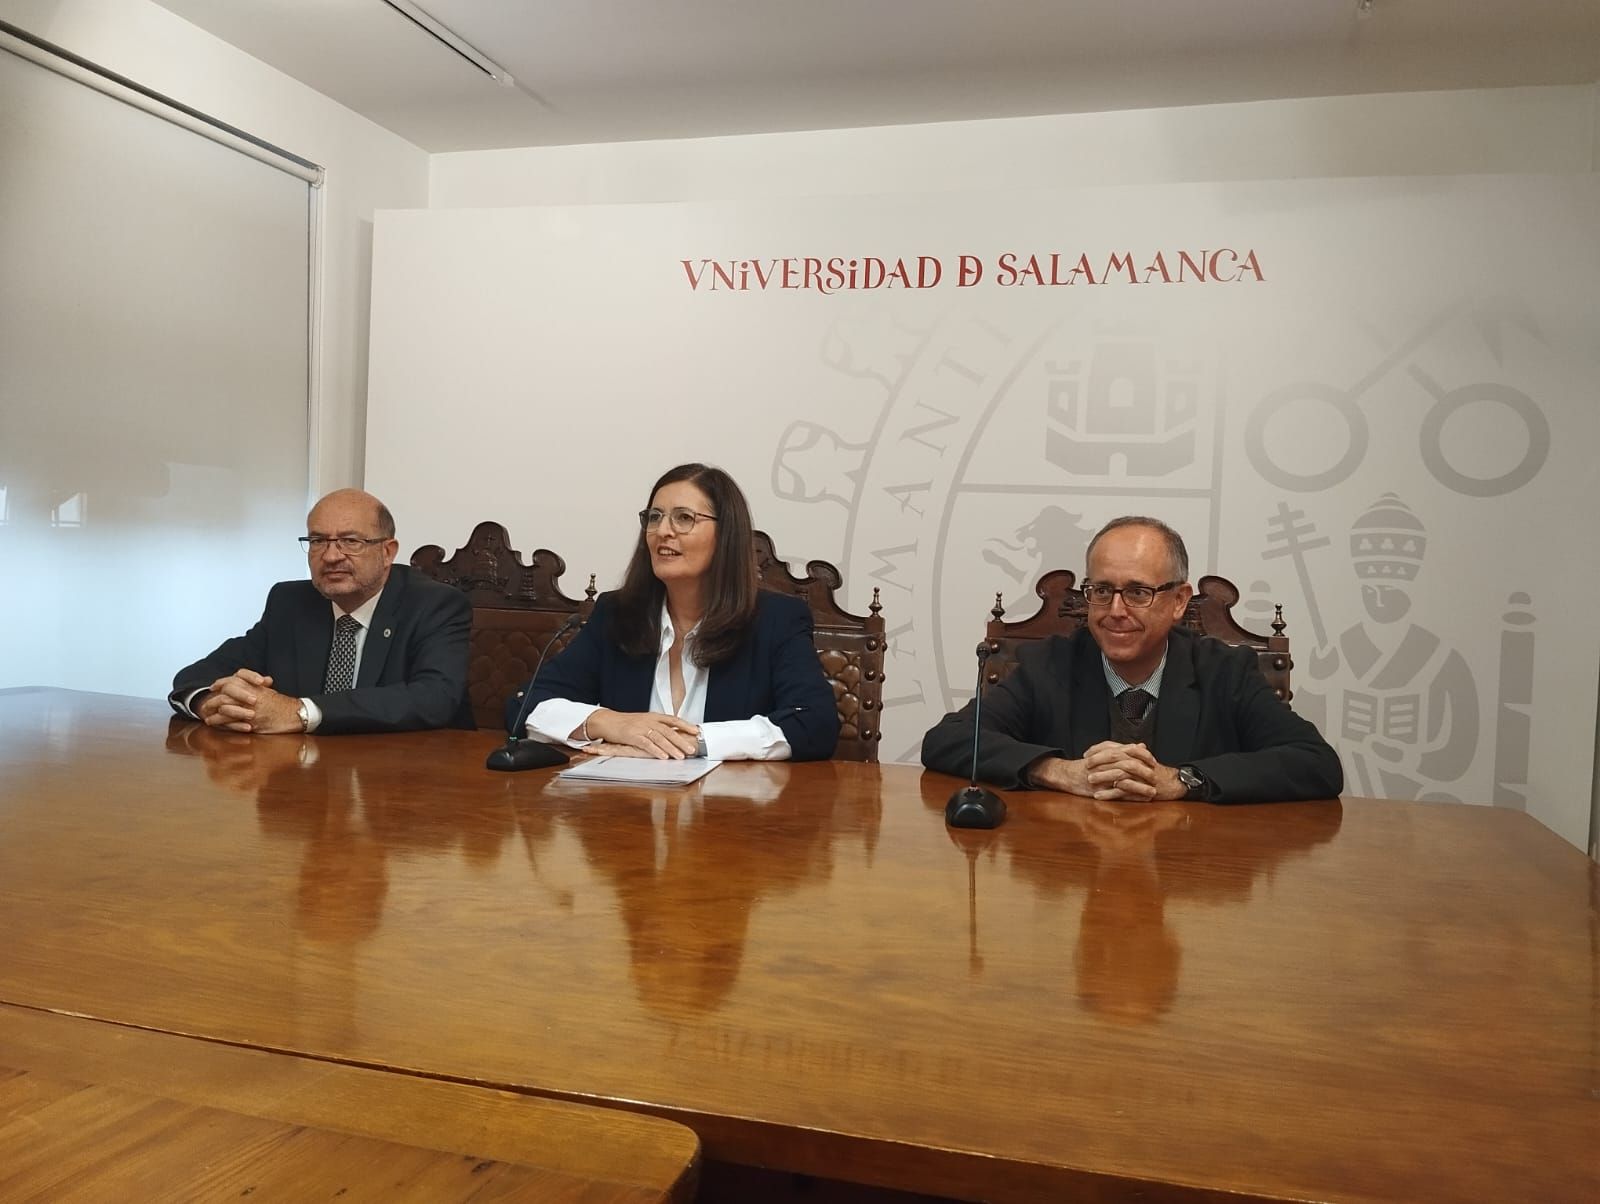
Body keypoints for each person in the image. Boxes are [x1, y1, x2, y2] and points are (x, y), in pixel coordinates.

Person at [922, 516, 1342, 803]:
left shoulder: (1223, 671)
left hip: (1189, 876)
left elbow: (1317, 764)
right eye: (1101, 591)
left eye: (1138, 592)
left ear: (1179, 600)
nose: (1116, 610)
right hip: (1072, 869)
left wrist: (1182, 780)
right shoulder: (1051, 664)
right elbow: (948, 739)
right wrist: (1056, 771)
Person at [507, 463, 838, 761]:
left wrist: (693, 742)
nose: (663, 530)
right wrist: (611, 723)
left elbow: (814, 723)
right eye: (654, 517)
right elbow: (525, 703)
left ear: (726, 536)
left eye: (684, 518)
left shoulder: (776, 620)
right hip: (623, 812)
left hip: (733, 816)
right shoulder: (617, 614)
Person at [170, 488, 473, 734]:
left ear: (387, 552)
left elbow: (435, 697)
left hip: (406, 781)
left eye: (350, 541)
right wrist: (212, 702)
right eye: (317, 541)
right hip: (302, 777)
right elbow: (197, 675)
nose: (330, 556)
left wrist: (300, 712)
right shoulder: (290, 602)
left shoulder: (434, 605)